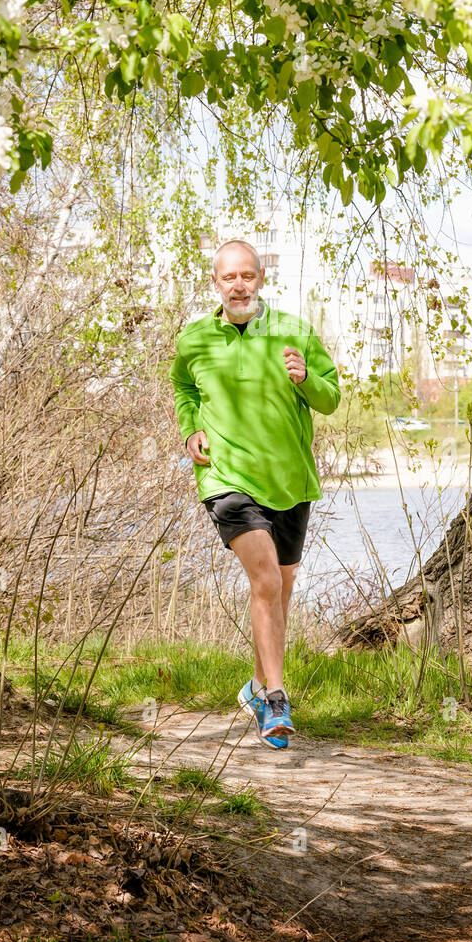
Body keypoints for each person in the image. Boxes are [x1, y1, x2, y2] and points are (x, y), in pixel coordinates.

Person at [169, 238, 340, 749]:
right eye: (229, 277)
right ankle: (276, 701)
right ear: (216, 283)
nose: (239, 284)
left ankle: (256, 685)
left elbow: (330, 399)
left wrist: (306, 379)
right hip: (226, 478)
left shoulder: (294, 330)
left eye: (248, 275)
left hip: (289, 479)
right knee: (265, 579)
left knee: (280, 590)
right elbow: (184, 390)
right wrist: (190, 429)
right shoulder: (194, 337)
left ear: (260, 278)